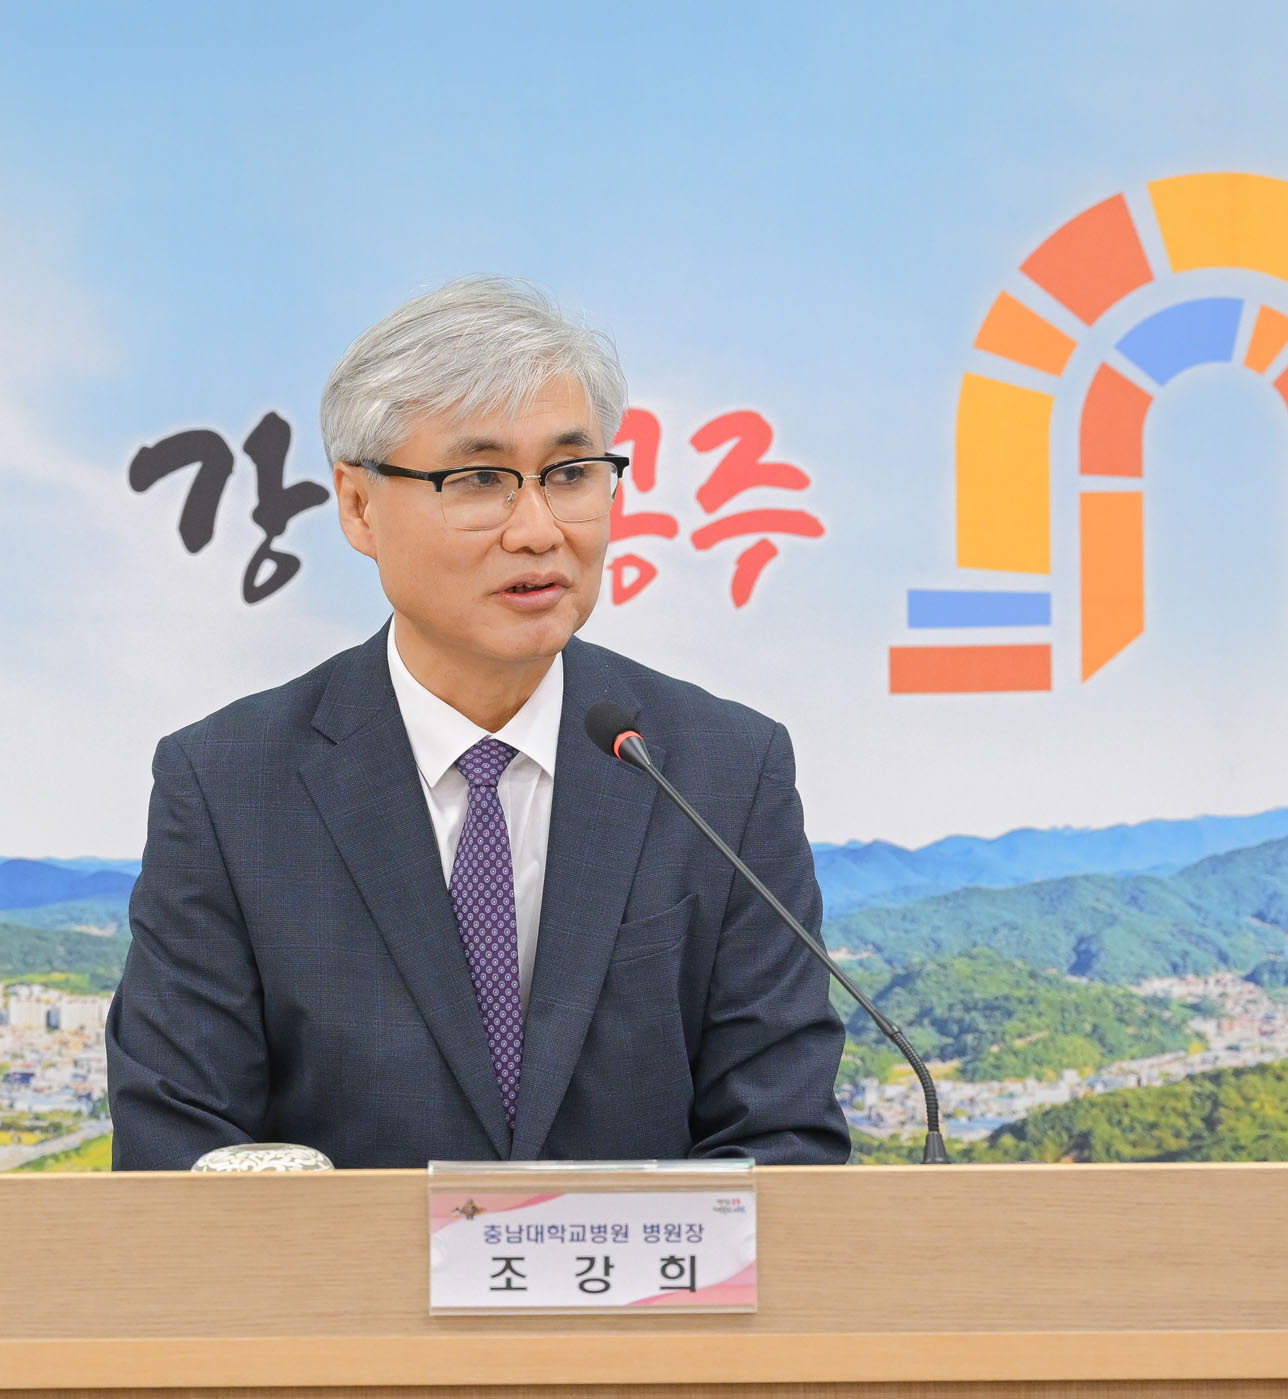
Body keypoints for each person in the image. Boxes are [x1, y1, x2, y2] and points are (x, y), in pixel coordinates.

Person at [106, 277, 848, 1168]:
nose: (537, 529)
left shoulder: (723, 770)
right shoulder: (230, 786)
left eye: (570, 474)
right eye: (480, 479)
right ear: (358, 505)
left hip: (650, 1269)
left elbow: (782, 1141)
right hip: (346, 1270)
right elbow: (177, 1158)